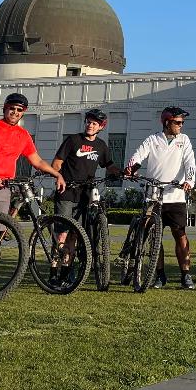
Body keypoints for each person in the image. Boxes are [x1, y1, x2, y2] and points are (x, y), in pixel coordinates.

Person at [0, 92, 66, 290]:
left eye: (19, 110)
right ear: (5, 108)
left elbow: (36, 160)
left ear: (23, 113)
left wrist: (56, 174)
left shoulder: (23, 135)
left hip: (4, 187)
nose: (14, 112)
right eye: (11, 108)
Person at [125, 106, 196, 289]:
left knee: (180, 235)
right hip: (154, 196)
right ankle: (159, 274)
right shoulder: (152, 139)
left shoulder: (184, 140)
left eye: (182, 122)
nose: (181, 125)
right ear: (167, 122)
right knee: (154, 237)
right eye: (178, 122)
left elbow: (190, 162)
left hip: (176, 195)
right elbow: (138, 156)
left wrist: (189, 180)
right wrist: (131, 168)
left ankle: (186, 274)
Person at [51, 108, 121, 278]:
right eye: (88, 122)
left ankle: (65, 272)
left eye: (94, 123)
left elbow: (109, 165)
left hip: (85, 194)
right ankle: (53, 271)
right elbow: (57, 163)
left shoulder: (101, 146)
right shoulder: (73, 140)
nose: (90, 125)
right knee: (62, 233)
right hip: (66, 191)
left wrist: (123, 173)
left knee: (75, 234)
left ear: (101, 127)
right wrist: (58, 178)